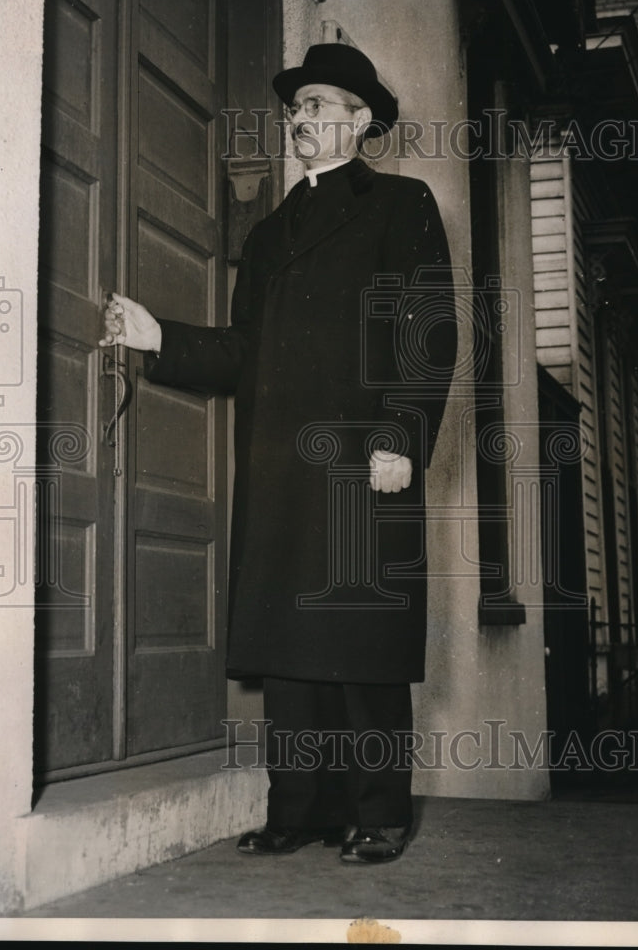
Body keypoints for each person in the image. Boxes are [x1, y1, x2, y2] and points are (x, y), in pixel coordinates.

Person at [100, 43, 457, 864]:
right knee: (291, 653)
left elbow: (425, 330)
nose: (303, 118)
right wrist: (162, 338)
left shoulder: (403, 204)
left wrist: (401, 437)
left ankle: (378, 813)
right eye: (297, 107)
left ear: (362, 122)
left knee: (360, 652)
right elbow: (243, 348)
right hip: (279, 466)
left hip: (362, 458)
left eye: (322, 105)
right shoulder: (266, 235)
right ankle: (298, 809)